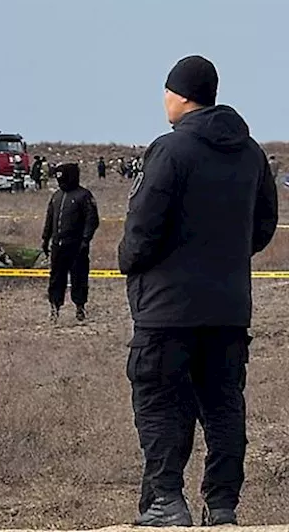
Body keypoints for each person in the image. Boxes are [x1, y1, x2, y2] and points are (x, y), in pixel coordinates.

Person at [118, 55, 278, 527]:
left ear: (181, 94)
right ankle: (223, 506)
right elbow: (264, 223)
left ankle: (167, 501)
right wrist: (224, 258)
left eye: (167, 90)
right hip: (228, 308)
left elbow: (143, 227)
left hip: (167, 311)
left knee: (161, 402)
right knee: (224, 405)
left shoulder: (170, 151)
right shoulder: (249, 153)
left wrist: (132, 261)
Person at [41, 162, 99, 323]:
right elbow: (49, 219)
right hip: (58, 245)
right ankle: (54, 307)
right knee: (56, 277)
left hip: (77, 246)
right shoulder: (56, 196)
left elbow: (92, 220)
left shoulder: (84, 195)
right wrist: (45, 239)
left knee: (79, 277)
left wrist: (85, 240)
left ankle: (80, 307)